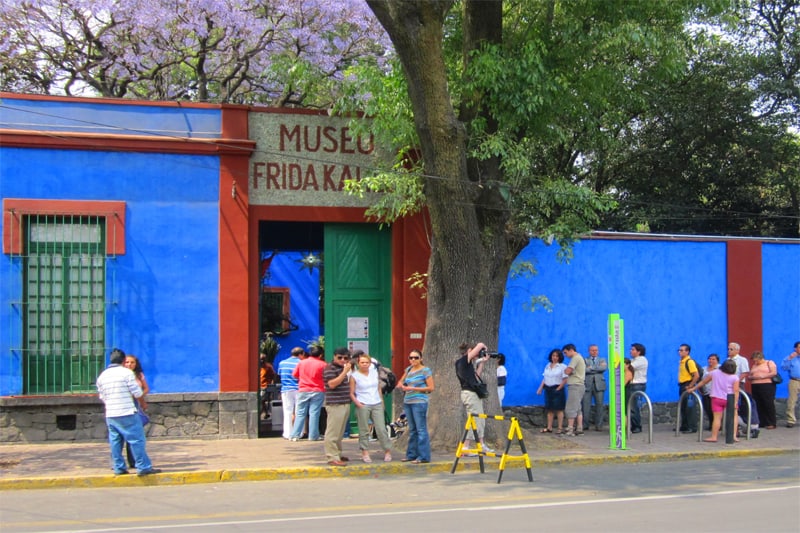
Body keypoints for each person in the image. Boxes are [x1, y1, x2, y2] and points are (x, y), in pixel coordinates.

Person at [95, 348, 160, 476]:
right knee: (137, 440)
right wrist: (142, 402)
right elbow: (137, 393)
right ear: (124, 360)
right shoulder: (126, 373)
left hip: (111, 414)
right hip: (127, 412)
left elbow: (102, 396)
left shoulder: (102, 375)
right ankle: (143, 467)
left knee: (115, 441)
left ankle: (118, 467)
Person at [349, 352, 392, 463]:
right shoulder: (354, 376)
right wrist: (357, 403)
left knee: (381, 429)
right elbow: (351, 392)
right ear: (358, 363)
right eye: (362, 362)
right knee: (364, 430)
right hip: (363, 403)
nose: (364, 364)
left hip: (376, 402)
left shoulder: (374, 373)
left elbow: (378, 388)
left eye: (367, 362)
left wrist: (382, 402)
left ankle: (387, 451)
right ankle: (365, 452)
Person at [686, 358, 740, 443]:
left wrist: (693, 388)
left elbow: (703, 382)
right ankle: (733, 436)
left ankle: (714, 436)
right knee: (734, 417)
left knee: (717, 418)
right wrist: (735, 402)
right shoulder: (735, 377)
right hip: (730, 398)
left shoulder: (715, 373)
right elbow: (736, 391)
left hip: (716, 398)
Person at [455, 342, 494, 453]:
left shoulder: (467, 365)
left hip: (473, 394)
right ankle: (465, 447)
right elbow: (480, 344)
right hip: (470, 394)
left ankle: (481, 444)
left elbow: (476, 377)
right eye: (474, 352)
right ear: (469, 351)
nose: (477, 354)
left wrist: (482, 362)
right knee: (474, 421)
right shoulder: (463, 361)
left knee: (479, 419)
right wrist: (484, 347)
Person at [398, 349, 434, 463]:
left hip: (419, 402)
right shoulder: (408, 369)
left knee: (421, 429)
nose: (413, 360)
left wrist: (413, 388)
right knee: (412, 429)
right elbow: (401, 381)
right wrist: (401, 385)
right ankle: (411, 455)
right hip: (408, 401)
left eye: (416, 357)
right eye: (411, 358)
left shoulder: (425, 371)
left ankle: (423, 456)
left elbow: (430, 388)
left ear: (421, 359)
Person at [323, 347, 353, 466]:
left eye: (345, 358)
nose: (342, 360)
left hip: (344, 402)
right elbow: (332, 384)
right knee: (333, 432)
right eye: (339, 357)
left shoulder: (341, 368)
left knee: (340, 432)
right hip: (335, 404)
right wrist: (345, 372)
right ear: (334, 356)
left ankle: (338, 454)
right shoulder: (330, 368)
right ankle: (332, 457)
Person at [290, 345, 326, 441]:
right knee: (314, 413)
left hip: (303, 390)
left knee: (300, 413)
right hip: (318, 390)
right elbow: (326, 377)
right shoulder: (323, 364)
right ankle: (313, 435)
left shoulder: (302, 363)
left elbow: (294, 375)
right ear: (321, 355)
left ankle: (294, 435)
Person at [122, 354, 149, 469]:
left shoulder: (139, 375)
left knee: (134, 434)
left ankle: (133, 460)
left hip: (135, 403)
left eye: (132, 362)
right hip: (123, 405)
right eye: (127, 362)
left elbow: (146, 388)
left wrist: (140, 397)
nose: (129, 364)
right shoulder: (122, 375)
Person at [535, 349, 567, 434]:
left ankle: (560, 428)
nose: (555, 358)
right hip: (548, 388)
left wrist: (559, 388)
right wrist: (540, 388)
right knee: (549, 409)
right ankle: (549, 427)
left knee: (559, 409)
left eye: (557, 356)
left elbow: (565, 379)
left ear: (560, 357)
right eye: (553, 356)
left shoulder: (562, 366)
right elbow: (545, 378)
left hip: (557, 388)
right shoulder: (548, 365)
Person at [747, 351, 778, 430]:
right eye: (754, 360)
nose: (755, 362)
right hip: (755, 385)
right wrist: (751, 377)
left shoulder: (769, 363)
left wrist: (762, 376)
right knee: (758, 403)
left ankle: (771, 422)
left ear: (761, 358)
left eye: (757, 360)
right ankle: (761, 421)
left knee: (768, 403)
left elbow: (774, 373)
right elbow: (750, 375)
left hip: (767, 385)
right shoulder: (754, 365)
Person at [277, 347, 303, 440]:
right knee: (299, 412)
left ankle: (287, 433)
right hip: (299, 390)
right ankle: (298, 433)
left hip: (286, 390)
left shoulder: (282, 363)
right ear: (301, 354)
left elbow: (279, 375)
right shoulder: (301, 363)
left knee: (287, 411)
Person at [562, 343, 586, 436]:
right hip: (580, 385)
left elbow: (568, 371)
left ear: (571, 350)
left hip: (575, 385)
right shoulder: (580, 357)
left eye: (565, 352)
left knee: (571, 407)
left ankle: (570, 428)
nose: (565, 355)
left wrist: (566, 370)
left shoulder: (575, 358)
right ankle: (579, 428)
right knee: (578, 408)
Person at [582, 344, 607, 431]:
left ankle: (599, 425)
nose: (594, 352)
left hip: (599, 385)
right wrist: (596, 368)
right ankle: (585, 424)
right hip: (587, 385)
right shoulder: (585, 360)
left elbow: (603, 368)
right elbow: (583, 370)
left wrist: (591, 368)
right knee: (585, 405)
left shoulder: (602, 359)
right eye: (592, 350)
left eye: (596, 350)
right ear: (589, 351)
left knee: (599, 405)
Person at [727, 342, 751, 427]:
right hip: (728, 384)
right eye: (728, 349)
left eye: (731, 349)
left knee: (738, 403)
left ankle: (740, 423)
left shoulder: (742, 360)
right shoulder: (727, 360)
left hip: (738, 383)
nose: (729, 351)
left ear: (737, 350)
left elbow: (745, 373)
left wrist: (736, 381)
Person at [677, 343, 700, 433]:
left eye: (682, 350)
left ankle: (692, 426)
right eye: (679, 350)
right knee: (683, 406)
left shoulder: (689, 362)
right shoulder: (682, 361)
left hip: (687, 384)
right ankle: (685, 425)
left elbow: (696, 375)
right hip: (682, 385)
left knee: (690, 407)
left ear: (687, 352)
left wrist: (691, 385)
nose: (680, 352)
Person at [627, 343, 648, 434]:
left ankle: (636, 426)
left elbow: (629, 367)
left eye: (633, 350)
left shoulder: (641, 360)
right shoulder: (634, 360)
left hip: (637, 385)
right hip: (632, 385)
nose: (631, 351)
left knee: (633, 407)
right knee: (630, 406)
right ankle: (632, 425)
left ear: (639, 351)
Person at [781, 341, 800, 428]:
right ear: (795, 348)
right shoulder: (791, 358)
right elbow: (784, 368)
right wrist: (789, 358)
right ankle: (791, 420)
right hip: (794, 381)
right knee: (792, 401)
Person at [700, 354, 720, 431]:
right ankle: (711, 423)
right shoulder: (704, 369)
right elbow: (701, 380)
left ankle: (717, 425)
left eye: (713, 359)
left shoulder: (720, 368)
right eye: (709, 359)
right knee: (708, 408)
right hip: (706, 392)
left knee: (715, 410)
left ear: (717, 360)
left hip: (716, 392)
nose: (711, 360)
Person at [259, 352, 276, 420]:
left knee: (262, 400)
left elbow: (273, 375)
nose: (261, 361)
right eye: (260, 359)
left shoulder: (268, 366)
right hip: (258, 386)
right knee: (261, 401)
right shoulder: (257, 366)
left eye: (263, 359)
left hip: (265, 386)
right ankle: (265, 412)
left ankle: (265, 412)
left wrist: (271, 384)